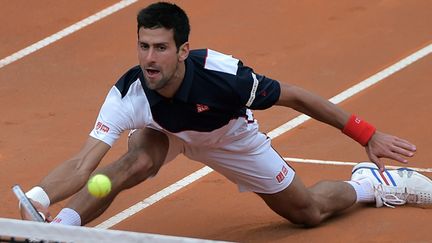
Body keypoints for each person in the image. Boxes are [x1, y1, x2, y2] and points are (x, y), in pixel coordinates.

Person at [20, 2, 431, 227]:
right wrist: (36, 198)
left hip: (229, 136)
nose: (149, 58)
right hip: (167, 131)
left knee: (306, 212)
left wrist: (366, 134)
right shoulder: (130, 92)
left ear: (183, 51)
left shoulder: (225, 77)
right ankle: (62, 228)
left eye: (160, 48)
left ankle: (372, 186)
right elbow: (83, 163)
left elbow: (297, 97)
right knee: (131, 163)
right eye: (143, 46)